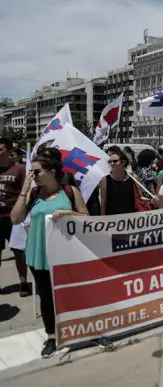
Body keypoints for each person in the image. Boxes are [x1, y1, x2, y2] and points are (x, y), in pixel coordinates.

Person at [10, 148, 89, 358]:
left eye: (35, 172)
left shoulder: (70, 192)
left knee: (72, 293)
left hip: (65, 254)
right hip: (38, 255)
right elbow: (15, 219)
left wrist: (68, 213)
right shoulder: (34, 194)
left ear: (52, 172)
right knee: (46, 297)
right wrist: (24, 190)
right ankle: (52, 336)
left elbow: (86, 218)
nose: (32, 176)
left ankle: (83, 329)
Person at [0, 138, 30, 296]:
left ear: (9, 152)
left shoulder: (19, 169)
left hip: (14, 218)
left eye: (0, 150)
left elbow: (25, 192)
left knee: (19, 252)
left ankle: (23, 282)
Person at [99, 149, 150, 215]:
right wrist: (102, 219)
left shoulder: (134, 178)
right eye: (110, 162)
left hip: (130, 218)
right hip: (112, 219)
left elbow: (139, 198)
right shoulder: (105, 179)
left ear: (123, 162)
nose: (112, 163)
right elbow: (103, 203)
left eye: (115, 161)